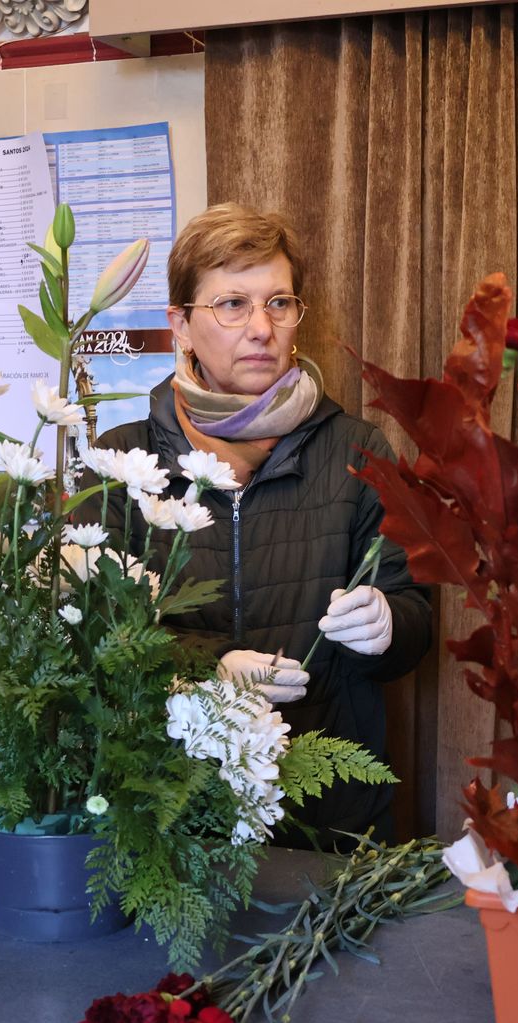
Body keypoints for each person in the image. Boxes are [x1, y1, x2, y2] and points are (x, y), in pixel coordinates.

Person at [85, 203, 433, 841]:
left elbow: (415, 618)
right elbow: (91, 639)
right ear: (182, 327)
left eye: (279, 302)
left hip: (331, 811)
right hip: (170, 818)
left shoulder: (358, 451)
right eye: (231, 304)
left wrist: (390, 623)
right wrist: (206, 669)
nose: (260, 328)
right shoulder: (121, 462)